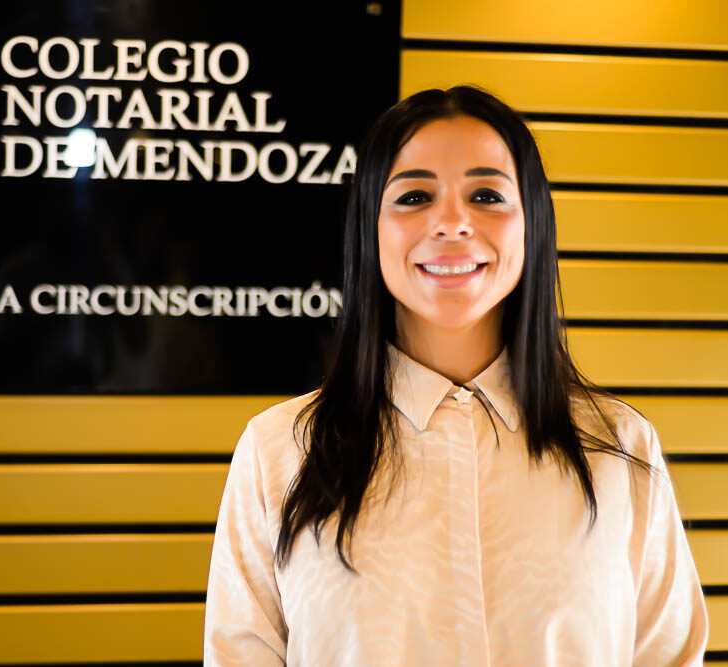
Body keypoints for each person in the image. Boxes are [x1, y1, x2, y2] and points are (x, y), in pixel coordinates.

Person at [203, 85, 709, 666]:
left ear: (532, 224)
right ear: (370, 227)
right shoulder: (277, 453)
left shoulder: (621, 447)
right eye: (414, 196)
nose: (451, 222)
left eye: (486, 195)